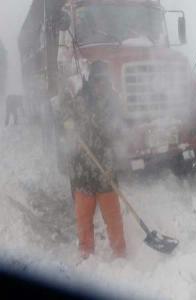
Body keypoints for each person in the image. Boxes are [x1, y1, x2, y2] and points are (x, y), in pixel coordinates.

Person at [62, 61, 126, 259]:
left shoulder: (113, 101)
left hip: (105, 166)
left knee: (113, 216)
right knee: (83, 217)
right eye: (97, 81)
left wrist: (113, 157)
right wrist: (67, 122)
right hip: (82, 167)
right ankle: (86, 253)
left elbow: (119, 131)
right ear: (91, 81)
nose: (100, 85)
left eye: (104, 81)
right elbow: (64, 116)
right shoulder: (81, 100)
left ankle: (120, 252)